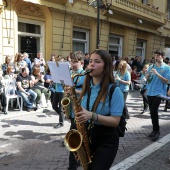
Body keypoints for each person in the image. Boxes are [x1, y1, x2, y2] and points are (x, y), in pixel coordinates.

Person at [74, 50, 124, 170]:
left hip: (107, 139)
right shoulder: (86, 88)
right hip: (88, 135)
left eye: (97, 61)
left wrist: (92, 116)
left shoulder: (114, 91)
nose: (91, 64)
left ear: (106, 66)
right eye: (90, 61)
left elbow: (115, 121)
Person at [146, 50, 170, 141]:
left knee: (154, 110)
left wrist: (157, 73)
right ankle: (154, 130)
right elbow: (149, 80)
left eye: (158, 55)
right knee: (152, 112)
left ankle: (157, 131)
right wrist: (147, 77)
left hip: (159, 93)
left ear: (162, 57)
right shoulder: (151, 67)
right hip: (150, 92)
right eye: (155, 55)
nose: (156, 57)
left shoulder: (167, 68)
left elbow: (167, 81)